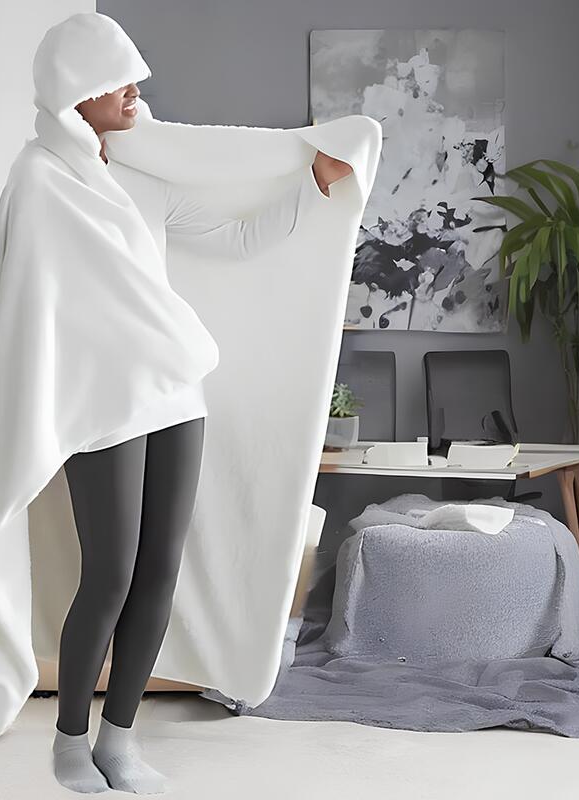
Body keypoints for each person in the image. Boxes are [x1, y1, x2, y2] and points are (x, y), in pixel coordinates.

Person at [46, 24, 353, 799]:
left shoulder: (146, 182)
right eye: (116, 78)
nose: (134, 89)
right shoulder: (45, 182)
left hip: (177, 393)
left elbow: (237, 237)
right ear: (74, 89)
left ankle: (119, 742)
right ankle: (69, 742)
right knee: (109, 573)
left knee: (159, 572)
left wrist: (311, 183)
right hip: (102, 399)